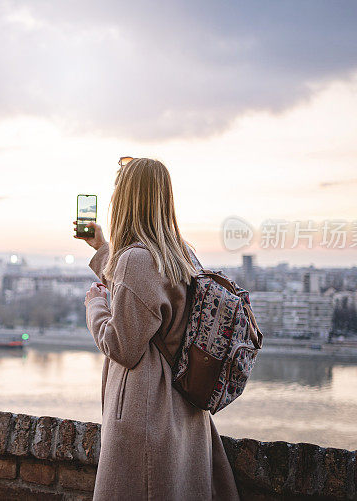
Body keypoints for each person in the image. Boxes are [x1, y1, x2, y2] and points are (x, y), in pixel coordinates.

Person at [75, 158, 239, 500]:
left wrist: (95, 305)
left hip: (146, 413)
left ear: (125, 201)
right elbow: (144, 294)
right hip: (182, 412)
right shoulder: (183, 255)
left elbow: (122, 346)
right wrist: (102, 249)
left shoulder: (136, 260)